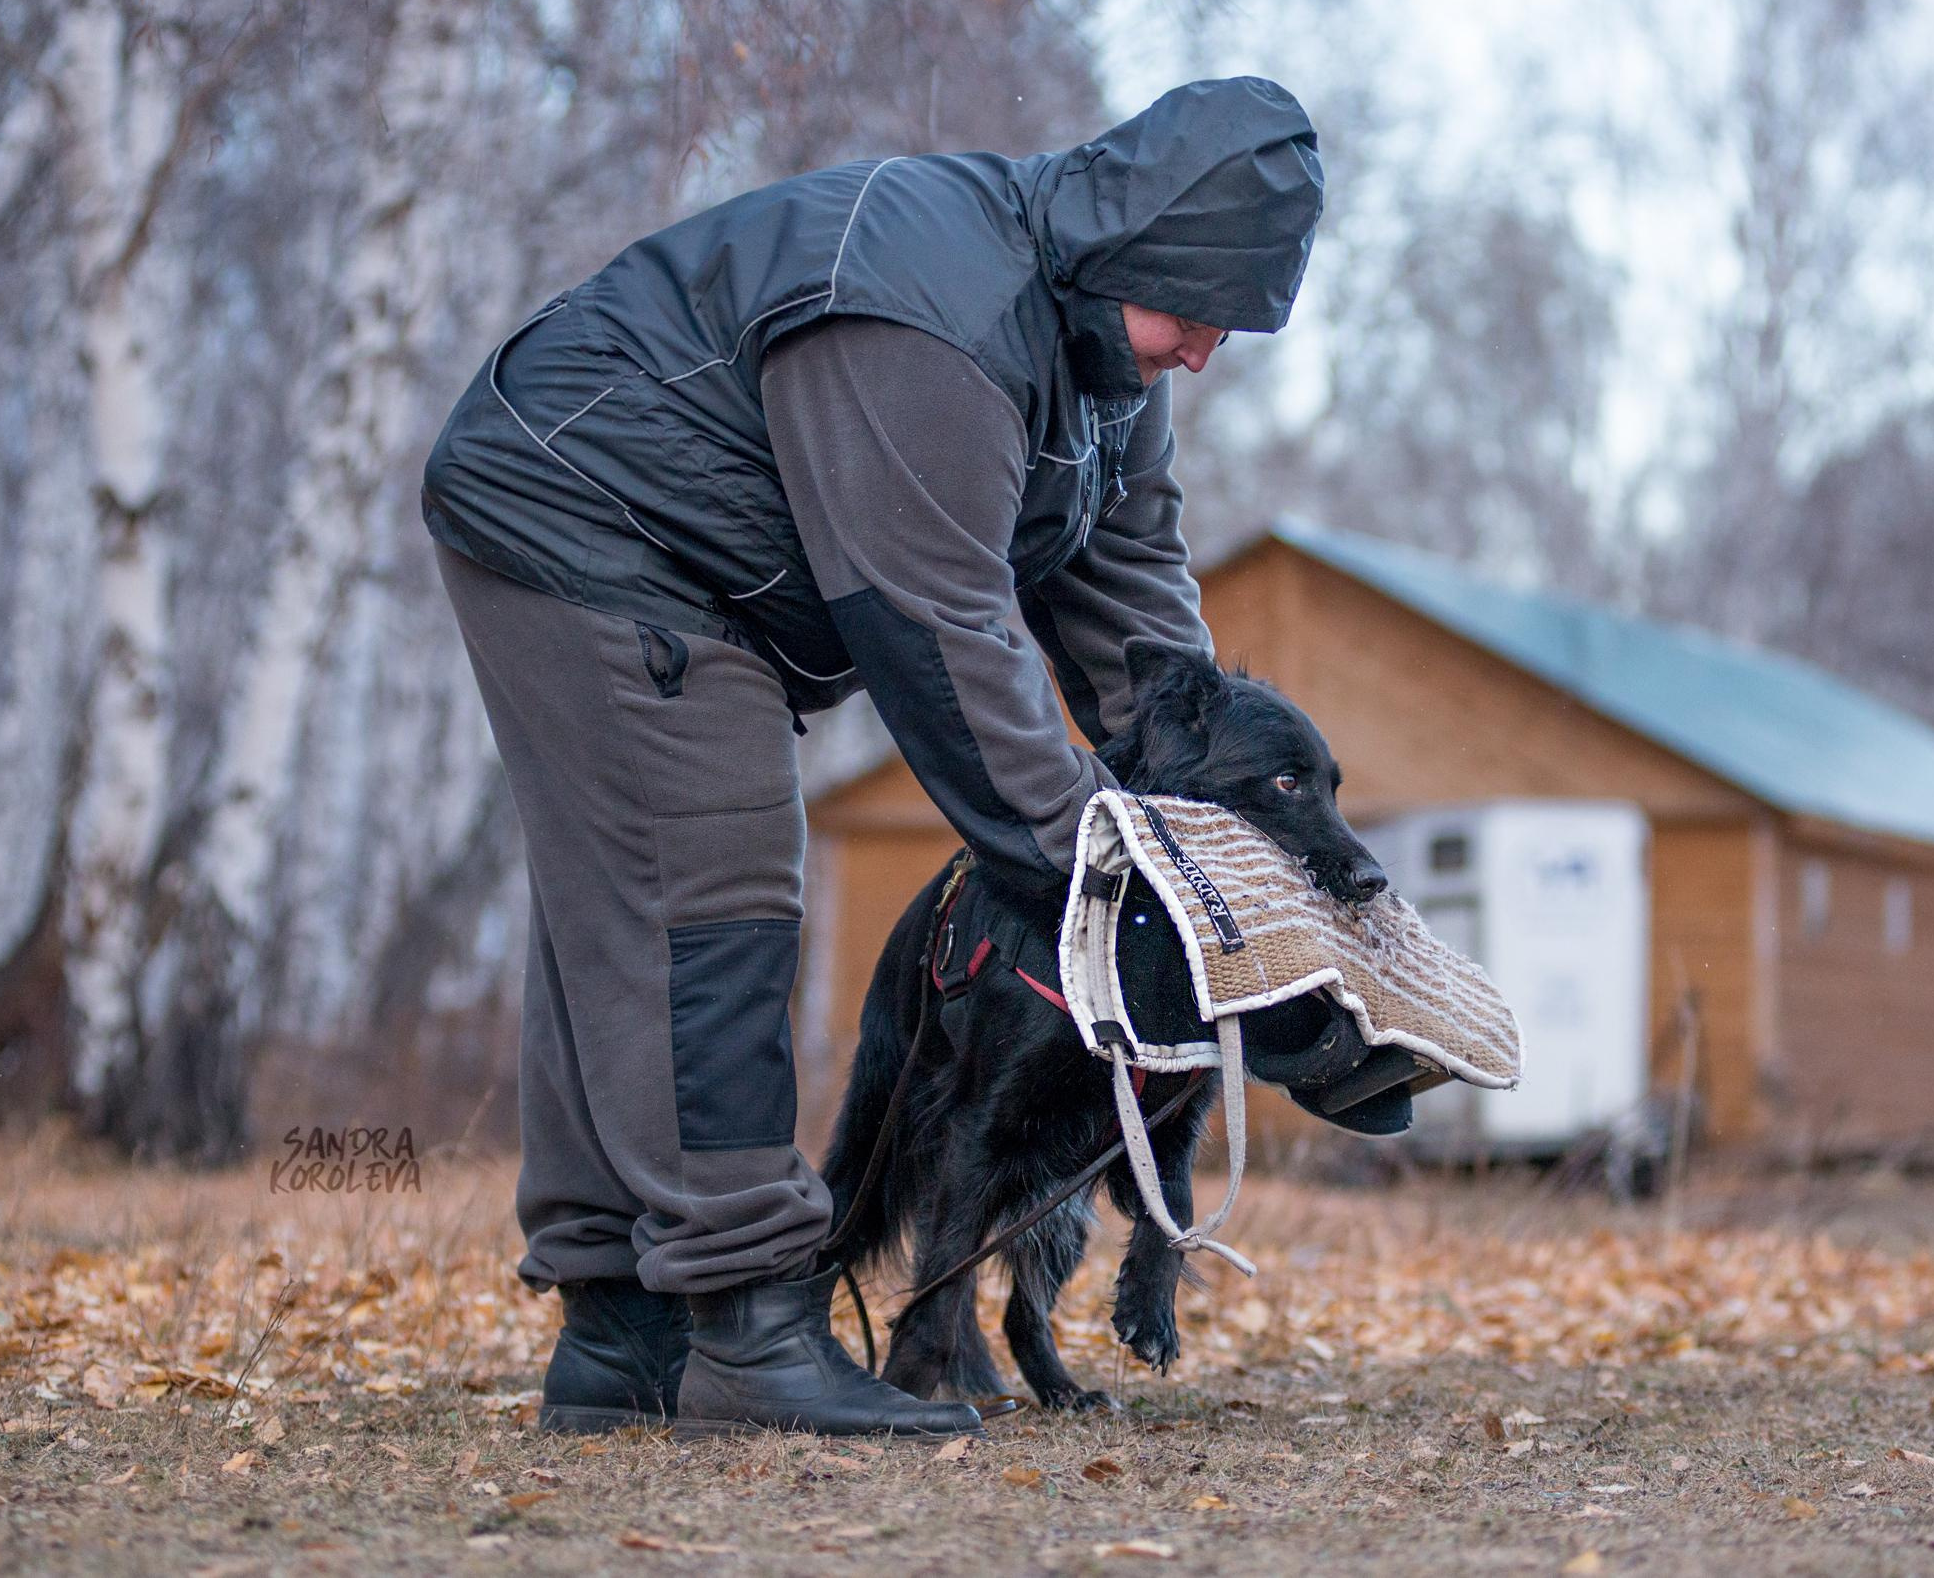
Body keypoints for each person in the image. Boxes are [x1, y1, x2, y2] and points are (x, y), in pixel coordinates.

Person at [420, 77, 1323, 1438]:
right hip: (584, 511)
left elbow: (1140, 625)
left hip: (688, 562)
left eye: (1230, 327)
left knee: (628, 915)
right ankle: (741, 1329)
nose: (1201, 351)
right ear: (1130, 246)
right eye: (1193, 313)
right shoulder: (930, 315)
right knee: (708, 883)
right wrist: (1120, 884)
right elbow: (943, 644)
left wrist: (1232, 868)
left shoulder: (1105, 375)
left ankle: (622, 1340)